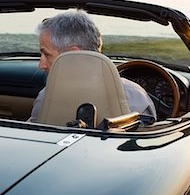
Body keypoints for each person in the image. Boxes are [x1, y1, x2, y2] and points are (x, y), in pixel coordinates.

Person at [28, 10, 157, 122]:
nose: (41, 65)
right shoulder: (135, 96)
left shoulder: (47, 97)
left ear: (73, 56)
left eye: (47, 55)